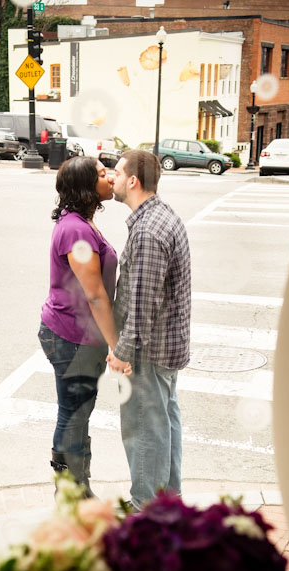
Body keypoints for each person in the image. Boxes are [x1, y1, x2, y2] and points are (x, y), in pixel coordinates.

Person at [107, 150, 191, 510]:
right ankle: (169, 504)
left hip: (150, 351)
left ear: (133, 181)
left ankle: (146, 510)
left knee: (145, 429)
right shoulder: (162, 216)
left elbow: (141, 309)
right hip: (167, 348)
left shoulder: (148, 232)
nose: (111, 176)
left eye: (116, 170)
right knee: (164, 425)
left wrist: (121, 353)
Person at [39, 156, 127, 498]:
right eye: (103, 174)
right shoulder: (75, 229)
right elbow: (94, 294)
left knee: (78, 413)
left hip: (78, 337)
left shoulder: (80, 222)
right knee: (73, 416)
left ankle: (77, 487)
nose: (110, 178)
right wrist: (116, 345)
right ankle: (69, 490)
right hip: (71, 337)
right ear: (86, 187)